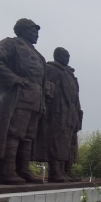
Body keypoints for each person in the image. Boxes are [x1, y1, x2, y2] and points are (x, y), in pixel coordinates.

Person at [0, 19, 46, 185]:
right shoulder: (10, 44)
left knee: (28, 136)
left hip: (34, 98)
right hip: (18, 97)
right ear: (22, 30)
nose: (36, 34)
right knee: (14, 132)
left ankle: (23, 169)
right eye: (33, 30)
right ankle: (6, 170)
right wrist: (13, 79)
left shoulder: (38, 55)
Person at [34, 47, 83, 182]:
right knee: (57, 142)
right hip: (56, 112)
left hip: (70, 113)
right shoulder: (51, 69)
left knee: (70, 143)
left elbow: (76, 97)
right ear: (57, 56)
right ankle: (55, 171)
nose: (67, 58)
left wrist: (78, 114)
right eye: (65, 56)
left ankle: (66, 170)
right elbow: (46, 88)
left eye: (68, 56)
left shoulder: (70, 74)